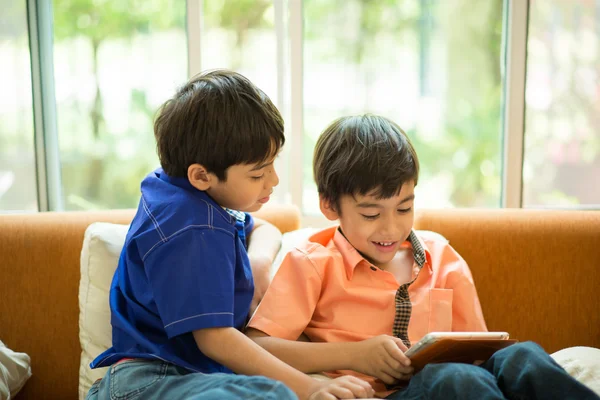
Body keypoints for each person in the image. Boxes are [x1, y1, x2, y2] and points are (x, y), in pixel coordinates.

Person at [247, 114, 600, 400]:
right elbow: (259, 346)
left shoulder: (440, 254)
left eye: (404, 208)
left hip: (461, 383)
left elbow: (480, 348)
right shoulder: (311, 261)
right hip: (388, 394)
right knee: (455, 379)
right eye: (371, 215)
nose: (390, 228)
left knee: (520, 357)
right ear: (329, 205)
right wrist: (354, 355)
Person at [86, 70, 375, 400]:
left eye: (272, 163)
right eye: (257, 174)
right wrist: (312, 387)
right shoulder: (193, 229)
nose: (274, 180)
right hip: (153, 380)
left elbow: (264, 228)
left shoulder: (182, 190)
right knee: (273, 395)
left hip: (178, 377)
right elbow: (216, 339)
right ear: (202, 175)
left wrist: (258, 263)